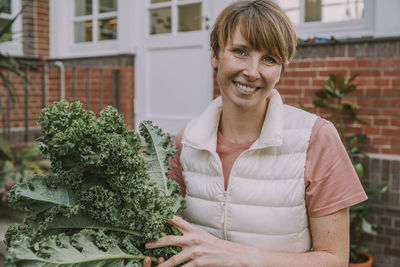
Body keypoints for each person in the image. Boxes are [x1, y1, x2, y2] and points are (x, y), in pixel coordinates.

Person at [144, 0, 367, 266]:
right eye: (240, 51)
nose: (251, 72)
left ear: (280, 70)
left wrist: (240, 256)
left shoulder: (315, 138)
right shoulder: (186, 142)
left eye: (269, 59)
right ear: (215, 55)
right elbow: (176, 241)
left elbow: (335, 259)